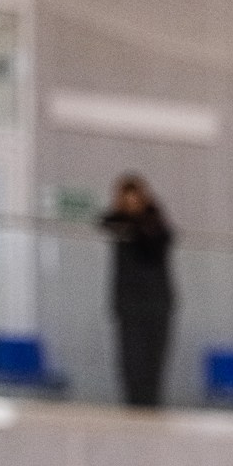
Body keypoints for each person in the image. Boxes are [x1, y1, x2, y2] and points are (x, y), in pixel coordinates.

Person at [97, 173, 176, 408]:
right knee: (131, 363)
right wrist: (127, 219)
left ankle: (150, 407)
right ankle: (133, 408)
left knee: (153, 363)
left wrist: (141, 223)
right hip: (129, 305)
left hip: (156, 304)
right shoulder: (119, 225)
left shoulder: (155, 225)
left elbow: (161, 241)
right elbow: (103, 222)